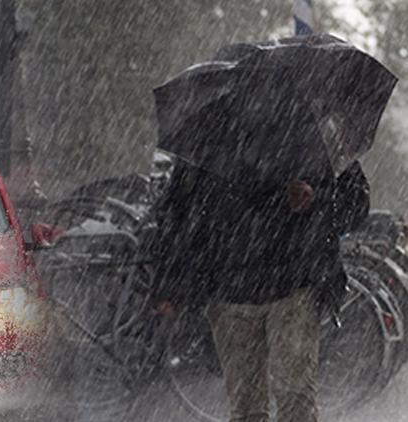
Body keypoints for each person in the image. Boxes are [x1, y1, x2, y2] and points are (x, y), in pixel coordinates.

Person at [150, 109, 370, 422]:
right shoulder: (212, 133)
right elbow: (179, 211)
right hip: (231, 291)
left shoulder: (315, 134)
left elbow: (355, 204)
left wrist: (315, 200)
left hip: (291, 287)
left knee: (292, 402)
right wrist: (170, 283)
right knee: (250, 407)